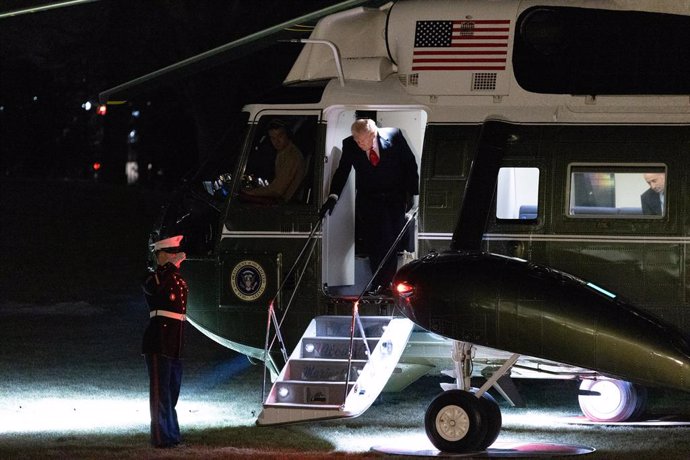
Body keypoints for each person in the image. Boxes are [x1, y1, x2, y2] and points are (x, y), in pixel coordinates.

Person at [320, 118, 419, 292]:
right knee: (374, 242)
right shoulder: (350, 144)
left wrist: (414, 195)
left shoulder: (394, 136)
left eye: (363, 140)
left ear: (373, 135)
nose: (359, 144)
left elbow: (410, 164)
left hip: (393, 198)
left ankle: (387, 284)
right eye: (357, 140)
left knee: (390, 242)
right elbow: (342, 171)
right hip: (369, 199)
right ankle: (378, 283)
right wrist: (333, 196)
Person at [142, 234, 188, 448]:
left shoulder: (175, 278)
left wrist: (172, 267)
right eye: (170, 254)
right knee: (160, 393)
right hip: (158, 341)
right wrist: (169, 267)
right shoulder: (153, 278)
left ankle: (172, 433)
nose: (174, 258)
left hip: (173, 342)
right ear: (160, 256)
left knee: (171, 391)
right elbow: (156, 288)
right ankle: (161, 436)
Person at [243, 120, 306, 203]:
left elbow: (277, 190)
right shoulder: (283, 153)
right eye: (273, 138)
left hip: (285, 206)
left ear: (287, 134)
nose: (276, 141)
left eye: (280, 136)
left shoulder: (291, 156)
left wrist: (251, 192)